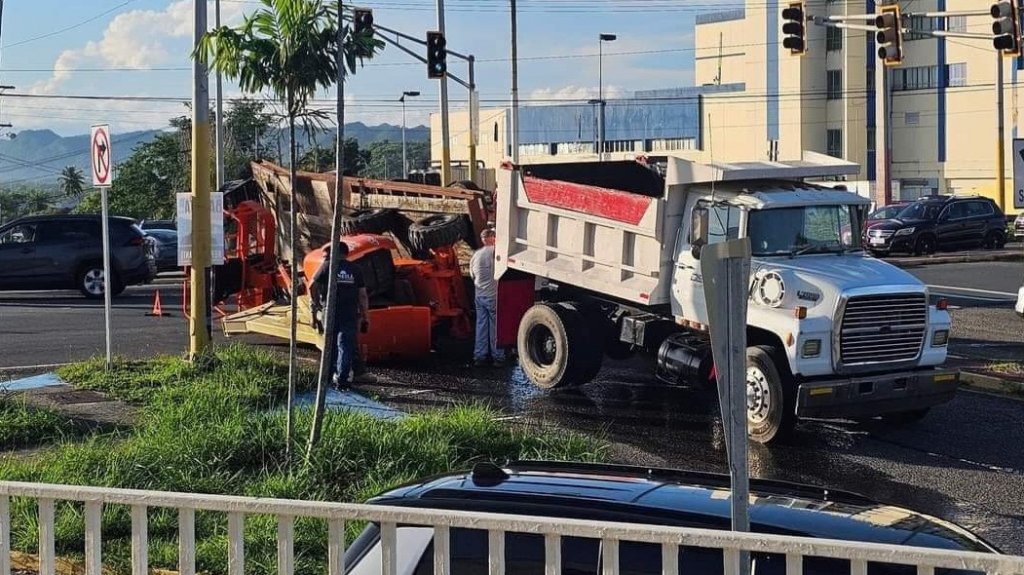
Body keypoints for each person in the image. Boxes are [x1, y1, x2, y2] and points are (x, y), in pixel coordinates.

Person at [310, 243, 376, 387]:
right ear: (347, 254)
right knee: (345, 345)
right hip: (349, 312)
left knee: (330, 345)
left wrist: (316, 305)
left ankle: (326, 379)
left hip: (331, 311)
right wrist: (366, 317)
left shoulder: (327, 266)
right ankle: (342, 379)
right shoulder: (355, 269)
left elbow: (312, 285)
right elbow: (363, 295)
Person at [469, 229, 505, 367]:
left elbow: (473, 276)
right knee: (495, 328)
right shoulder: (495, 252)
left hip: (479, 295)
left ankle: (479, 356)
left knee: (481, 326)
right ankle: (498, 357)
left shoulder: (476, 255)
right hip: (492, 296)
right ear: (492, 237)